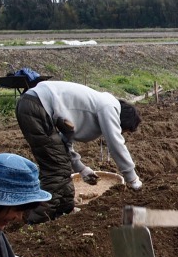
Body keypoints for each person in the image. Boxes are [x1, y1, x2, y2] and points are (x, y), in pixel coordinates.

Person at [15, 80, 142, 223]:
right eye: (124, 131)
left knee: (61, 163)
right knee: (56, 169)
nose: (121, 133)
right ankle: (36, 219)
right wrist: (133, 179)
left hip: (34, 105)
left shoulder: (89, 110)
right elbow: (115, 144)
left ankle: (65, 210)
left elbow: (65, 141)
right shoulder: (109, 107)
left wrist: (81, 169)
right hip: (36, 106)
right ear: (122, 122)